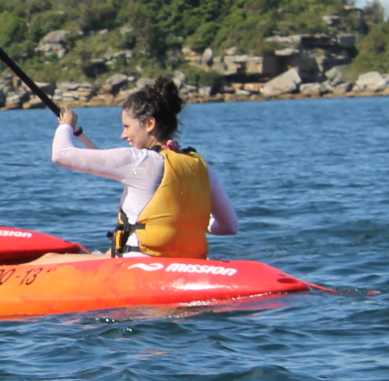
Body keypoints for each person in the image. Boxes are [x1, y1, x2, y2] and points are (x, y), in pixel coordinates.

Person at [30, 77, 237, 263]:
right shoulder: (199, 165)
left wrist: (66, 125)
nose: (123, 135)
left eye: (127, 126)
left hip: (136, 265)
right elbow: (228, 226)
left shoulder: (138, 160)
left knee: (48, 259)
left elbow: (61, 154)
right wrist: (184, 224)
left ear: (149, 124)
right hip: (186, 264)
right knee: (91, 256)